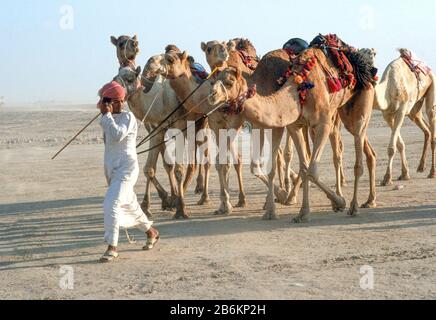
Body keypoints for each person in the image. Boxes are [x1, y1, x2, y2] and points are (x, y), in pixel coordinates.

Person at [97, 81, 159, 263]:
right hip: (112, 169)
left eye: (116, 101)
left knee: (112, 203)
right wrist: (105, 111)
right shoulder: (106, 118)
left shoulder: (128, 117)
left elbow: (117, 135)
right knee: (130, 205)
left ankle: (112, 247)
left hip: (127, 169)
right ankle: (152, 232)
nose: (116, 104)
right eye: (108, 101)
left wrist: (106, 115)